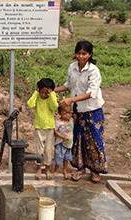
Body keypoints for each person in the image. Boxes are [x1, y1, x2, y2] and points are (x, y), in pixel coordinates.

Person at [54, 40, 108, 182]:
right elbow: (68, 85)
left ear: (90, 54)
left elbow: (91, 93)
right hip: (77, 111)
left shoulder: (93, 71)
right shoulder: (72, 67)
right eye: (78, 53)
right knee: (77, 140)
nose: (81, 56)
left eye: (84, 53)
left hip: (92, 110)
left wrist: (71, 100)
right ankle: (80, 169)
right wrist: (53, 90)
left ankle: (95, 171)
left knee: (94, 140)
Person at [27, 78, 59, 180]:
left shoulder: (51, 99)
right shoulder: (37, 98)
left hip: (50, 128)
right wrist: (36, 93)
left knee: (48, 149)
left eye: (46, 93)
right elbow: (30, 104)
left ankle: (47, 168)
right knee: (39, 149)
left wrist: (52, 95)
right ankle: (39, 168)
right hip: (39, 127)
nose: (43, 95)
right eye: (42, 92)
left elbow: (54, 106)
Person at [53, 105, 74, 179]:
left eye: (69, 113)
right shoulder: (58, 122)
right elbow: (55, 131)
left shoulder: (71, 120)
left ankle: (65, 170)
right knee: (59, 156)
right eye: (65, 113)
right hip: (60, 143)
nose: (68, 115)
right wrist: (62, 137)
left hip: (68, 143)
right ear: (59, 113)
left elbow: (69, 130)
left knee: (66, 158)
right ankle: (56, 170)